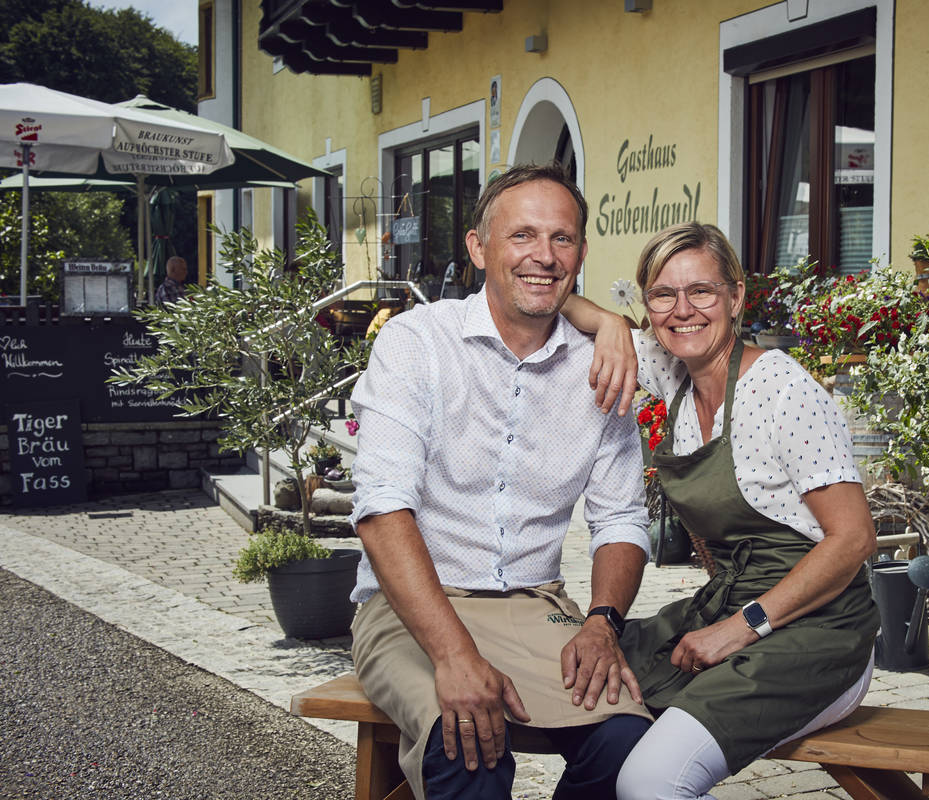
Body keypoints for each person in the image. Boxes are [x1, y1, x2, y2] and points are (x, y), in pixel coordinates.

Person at [348, 163, 654, 800]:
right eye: (522, 236)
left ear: (582, 253)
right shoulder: (416, 343)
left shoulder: (603, 364)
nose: (543, 256)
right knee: (468, 748)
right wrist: (455, 655)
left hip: (533, 604)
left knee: (633, 752)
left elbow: (622, 519)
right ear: (478, 246)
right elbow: (382, 512)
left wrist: (601, 621)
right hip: (410, 609)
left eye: (562, 239)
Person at [561, 222, 880, 800]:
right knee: (581, 686)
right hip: (725, 609)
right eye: (663, 294)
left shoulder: (783, 389)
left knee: (650, 778)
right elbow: (564, 300)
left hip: (819, 633)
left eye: (702, 292)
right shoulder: (673, 371)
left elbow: (855, 539)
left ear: (736, 298)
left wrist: (741, 628)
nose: (683, 310)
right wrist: (612, 320)